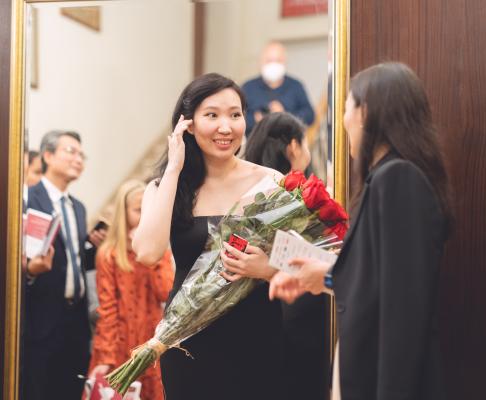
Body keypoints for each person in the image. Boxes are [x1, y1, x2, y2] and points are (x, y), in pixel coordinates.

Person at [270, 62, 453, 400]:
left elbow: (404, 304)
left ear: (365, 113)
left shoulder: (398, 179)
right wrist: (325, 276)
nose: (343, 121)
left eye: (346, 108)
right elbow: (380, 278)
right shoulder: (386, 178)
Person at [132, 73, 284, 400]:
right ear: (187, 123)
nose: (225, 127)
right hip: (189, 342)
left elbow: (302, 262)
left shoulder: (271, 182)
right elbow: (147, 252)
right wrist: (173, 169)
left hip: (259, 335)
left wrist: (267, 269)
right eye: (212, 115)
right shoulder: (164, 187)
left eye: (235, 114)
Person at [244, 112, 329, 400]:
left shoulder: (248, 196)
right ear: (294, 146)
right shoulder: (301, 200)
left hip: (253, 323)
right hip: (297, 318)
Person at [87, 180, 174, 400]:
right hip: (118, 345)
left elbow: (165, 293)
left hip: (150, 343)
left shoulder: (159, 249)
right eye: (138, 210)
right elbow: (107, 310)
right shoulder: (109, 254)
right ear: (123, 214)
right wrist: (106, 356)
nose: (144, 215)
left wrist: (149, 255)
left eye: (148, 209)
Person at [23, 130, 92, 400]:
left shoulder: (78, 207)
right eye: (70, 151)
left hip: (75, 319)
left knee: (70, 389)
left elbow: (73, 259)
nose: (78, 159)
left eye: (81, 154)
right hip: (40, 317)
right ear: (48, 156)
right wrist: (29, 271)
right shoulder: (27, 198)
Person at [241, 41, 315, 135]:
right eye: (269, 60)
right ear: (260, 62)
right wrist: (256, 118)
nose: (273, 64)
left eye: (278, 60)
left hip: (288, 145)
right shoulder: (248, 87)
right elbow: (236, 117)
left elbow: (310, 115)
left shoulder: (296, 86)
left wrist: (285, 116)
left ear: (285, 62)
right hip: (256, 145)